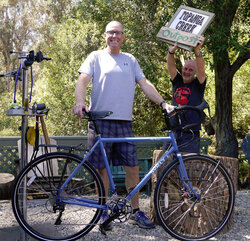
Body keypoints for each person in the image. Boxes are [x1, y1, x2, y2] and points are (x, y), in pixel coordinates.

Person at [73, 21, 172, 230]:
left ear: (123, 36)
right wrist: (80, 102)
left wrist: (163, 103)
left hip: (125, 121)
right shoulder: (96, 57)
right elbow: (82, 80)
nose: (114, 36)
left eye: (118, 33)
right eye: (111, 32)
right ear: (105, 35)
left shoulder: (130, 60)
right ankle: (102, 212)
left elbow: (145, 84)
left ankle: (135, 212)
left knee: (133, 168)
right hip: (100, 121)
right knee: (101, 170)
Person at [166, 36, 206, 153]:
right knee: (166, 164)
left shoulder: (198, 84)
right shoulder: (177, 81)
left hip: (190, 134)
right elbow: (171, 66)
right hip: (174, 131)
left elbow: (201, 70)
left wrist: (197, 52)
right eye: (185, 68)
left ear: (194, 73)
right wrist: (171, 51)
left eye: (190, 70)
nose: (186, 72)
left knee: (189, 166)